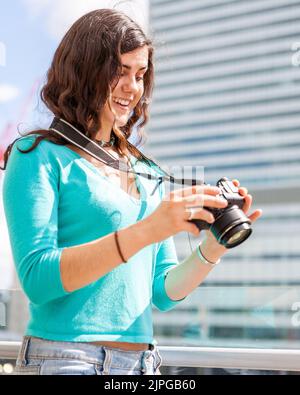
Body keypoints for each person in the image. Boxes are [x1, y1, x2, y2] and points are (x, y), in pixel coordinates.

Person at [0, 9, 262, 375]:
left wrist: (214, 246)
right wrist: (149, 228)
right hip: (65, 359)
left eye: (140, 75)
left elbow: (163, 292)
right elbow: (38, 281)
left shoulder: (144, 170)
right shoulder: (37, 157)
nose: (132, 88)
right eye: (119, 72)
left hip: (143, 365)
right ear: (84, 70)